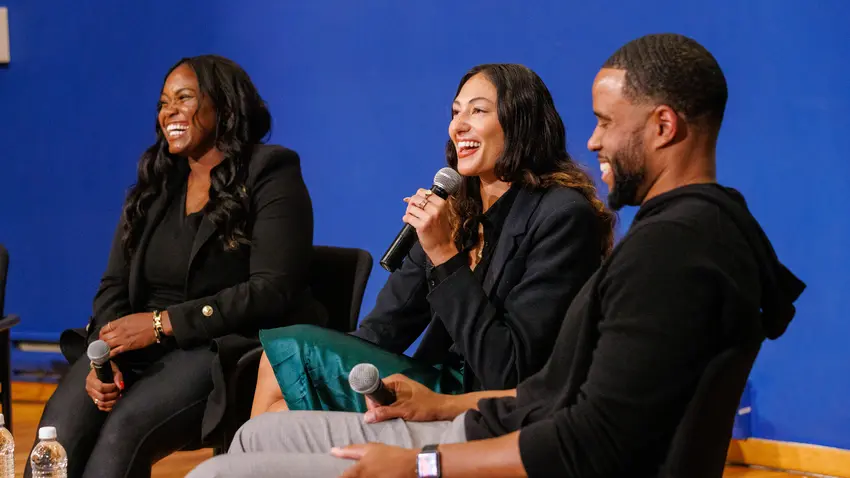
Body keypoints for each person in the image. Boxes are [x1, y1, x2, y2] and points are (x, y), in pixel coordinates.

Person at [187, 34, 806, 478]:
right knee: (255, 433)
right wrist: (420, 395)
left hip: (484, 421)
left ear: (664, 127)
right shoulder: (672, 238)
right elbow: (550, 391)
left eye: (605, 122)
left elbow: (560, 411)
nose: (591, 140)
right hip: (468, 411)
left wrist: (420, 465)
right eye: (454, 112)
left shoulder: (649, 244)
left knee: (215, 471)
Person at [249, 63, 615, 417]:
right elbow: (382, 332)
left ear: (519, 122)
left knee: (286, 352)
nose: (460, 125)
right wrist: (335, 373)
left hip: (484, 400)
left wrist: (443, 253)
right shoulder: (456, 208)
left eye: (478, 111)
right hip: (429, 381)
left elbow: (507, 370)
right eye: (456, 112)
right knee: (282, 407)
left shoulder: (561, 215)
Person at [27, 55, 327, 478]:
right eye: (163, 103)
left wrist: (159, 323)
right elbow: (114, 283)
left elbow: (271, 289)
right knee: (58, 432)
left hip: (219, 347)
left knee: (123, 430)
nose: (169, 111)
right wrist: (103, 352)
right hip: (135, 346)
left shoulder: (270, 172)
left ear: (223, 106)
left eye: (183, 98)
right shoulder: (157, 182)